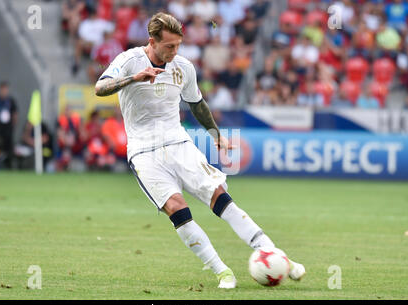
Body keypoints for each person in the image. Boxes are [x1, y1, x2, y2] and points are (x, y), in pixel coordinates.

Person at [95, 12, 305, 289]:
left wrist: (216, 136)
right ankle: (222, 271)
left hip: (178, 143)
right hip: (144, 152)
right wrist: (134, 78)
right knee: (176, 208)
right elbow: (100, 88)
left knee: (219, 195)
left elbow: (197, 103)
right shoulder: (128, 61)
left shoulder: (183, 66)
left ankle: (276, 255)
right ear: (152, 42)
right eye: (169, 46)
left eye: (178, 45)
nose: (174, 51)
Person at [0, 81, 18, 168]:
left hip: (8, 128)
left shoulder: (11, 101)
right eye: (2, 89)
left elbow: (14, 114)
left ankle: (9, 163)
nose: (4, 91)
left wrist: (13, 124)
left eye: (5, 89)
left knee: (9, 146)